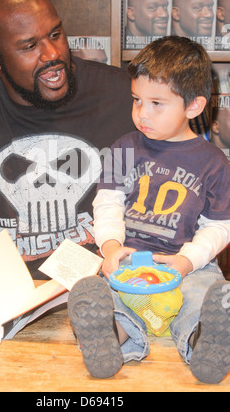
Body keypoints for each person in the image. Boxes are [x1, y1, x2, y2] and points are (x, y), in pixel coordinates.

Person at [0, 0, 135, 290]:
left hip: (120, 291)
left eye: (55, 34)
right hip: (12, 299)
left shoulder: (127, 98)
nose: (52, 54)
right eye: (29, 46)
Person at [68, 36, 230, 384]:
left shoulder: (213, 162)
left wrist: (189, 260)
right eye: (137, 100)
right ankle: (109, 338)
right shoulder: (123, 148)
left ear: (194, 106)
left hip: (187, 266)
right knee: (111, 297)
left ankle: (205, 343)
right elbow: (107, 203)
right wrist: (110, 247)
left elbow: (219, 226)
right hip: (130, 261)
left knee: (201, 298)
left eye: (157, 103)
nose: (142, 112)